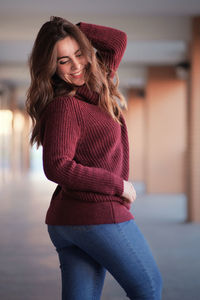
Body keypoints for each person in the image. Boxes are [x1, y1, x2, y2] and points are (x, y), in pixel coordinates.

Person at [26, 16, 163, 300]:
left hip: (69, 221)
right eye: (63, 61)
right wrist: (118, 185)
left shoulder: (96, 85)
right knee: (149, 287)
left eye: (79, 54)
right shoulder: (66, 105)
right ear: (51, 66)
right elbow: (58, 166)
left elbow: (116, 41)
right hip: (96, 215)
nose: (76, 66)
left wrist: (74, 29)